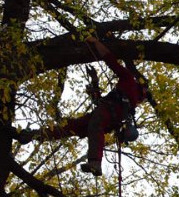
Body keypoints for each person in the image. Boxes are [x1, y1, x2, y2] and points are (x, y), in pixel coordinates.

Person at [17, 35, 148, 176]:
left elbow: (110, 60)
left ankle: (95, 162)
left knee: (88, 126)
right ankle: (32, 135)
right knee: (68, 127)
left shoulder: (129, 90)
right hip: (103, 115)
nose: (143, 100)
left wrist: (96, 41)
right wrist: (94, 81)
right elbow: (101, 98)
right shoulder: (130, 93)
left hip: (103, 117)